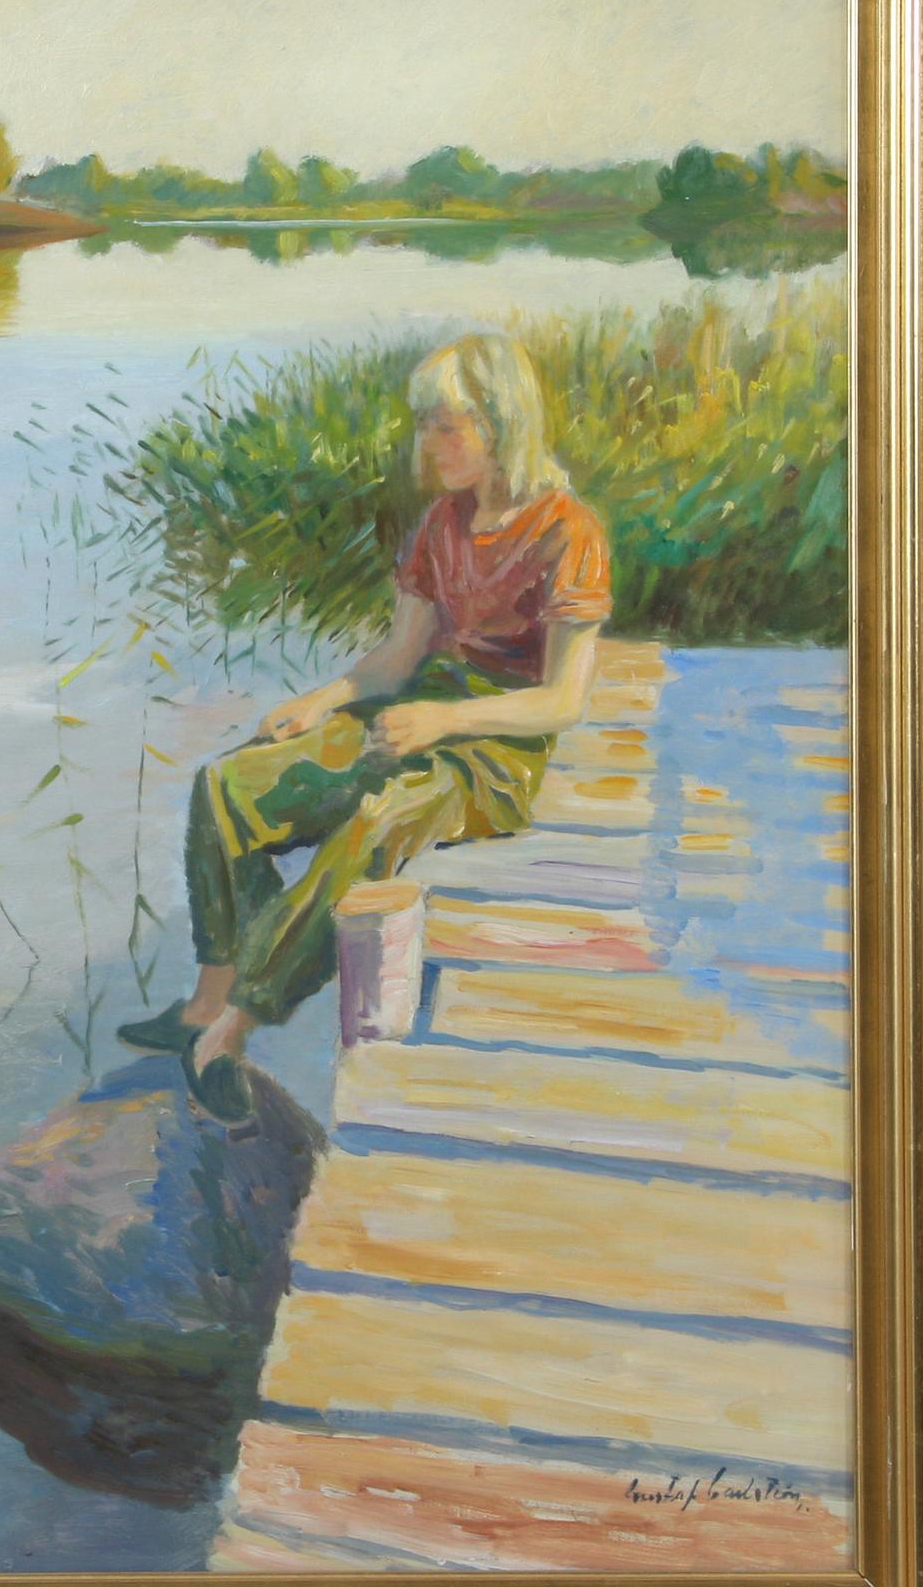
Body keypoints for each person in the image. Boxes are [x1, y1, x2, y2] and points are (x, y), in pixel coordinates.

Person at [117, 330, 613, 1132]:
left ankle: (233, 1031)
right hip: (412, 714)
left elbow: (561, 701)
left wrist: (445, 720)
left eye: (447, 425)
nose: (429, 443)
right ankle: (207, 997)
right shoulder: (442, 524)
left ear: (502, 423)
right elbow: (396, 658)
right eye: (424, 426)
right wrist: (324, 700)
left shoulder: (567, 529)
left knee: (374, 820)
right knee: (229, 785)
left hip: (493, 755)